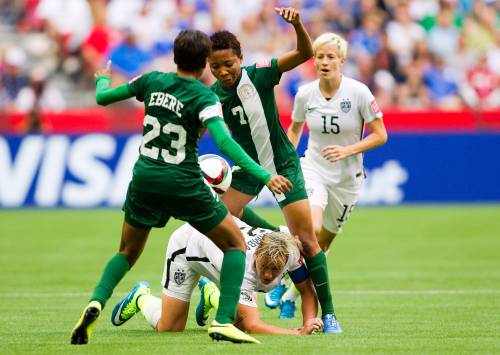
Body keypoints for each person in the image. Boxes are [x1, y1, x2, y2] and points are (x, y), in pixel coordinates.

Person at [70, 29, 292, 345]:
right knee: (234, 245)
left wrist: (102, 79)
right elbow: (226, 143)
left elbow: (103, 98)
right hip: (184, 183)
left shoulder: (151, 81)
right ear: (205, 63)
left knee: (126, 252)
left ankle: (96, 302)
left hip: (144, 178)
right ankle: (224, 321)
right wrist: (265, 175)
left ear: (174, 58)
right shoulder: (205, 97)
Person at [207, 7, 340, 333]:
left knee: (308, 243)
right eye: (215, 67)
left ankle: (331, 314)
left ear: (240, 56)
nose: (223, 71)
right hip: (249, 170)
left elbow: (305, 53)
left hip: (283, 164)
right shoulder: (211, 96)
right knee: (213, 222)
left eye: (228, 63)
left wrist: (297, 24)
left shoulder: (261, 73)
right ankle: (215, 293)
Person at [280, 32, 388, 318]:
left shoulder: (359, 93)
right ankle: (279, 270)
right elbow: (294, 128)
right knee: (310, 230)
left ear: (341, 60)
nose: (324, 62)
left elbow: (381, 135)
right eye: (319, 56)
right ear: (313, 60)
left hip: (347, 180)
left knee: (322, 244)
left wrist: (349, 150)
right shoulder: (305, 93)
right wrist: (287, 159)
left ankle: (290, 294)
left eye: (330, 57)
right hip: (313, 168)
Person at [111, 218, 324, 336]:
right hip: (186, 248)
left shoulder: (290, 250)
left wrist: (310, 321)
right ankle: (141, 297)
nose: (268, 276)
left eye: (275, 270)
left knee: (237, 320)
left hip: (215, 253)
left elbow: (306, 290)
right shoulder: (241, 267)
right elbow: (253, 325)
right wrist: (297, 332)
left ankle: (212, 293)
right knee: (170, 328)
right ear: (256, 254)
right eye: (264, 267)